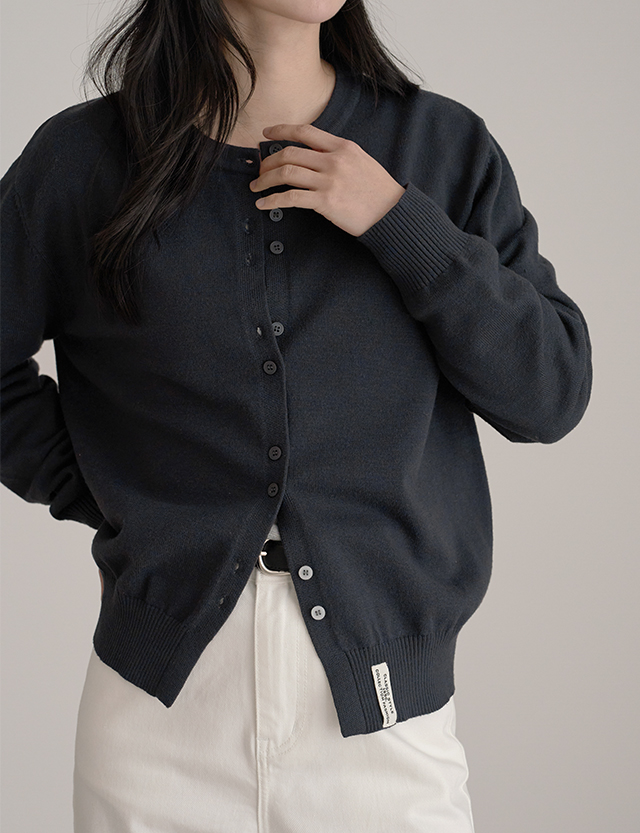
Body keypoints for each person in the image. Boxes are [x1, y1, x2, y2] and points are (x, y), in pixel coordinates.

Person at [0, 0, 593, 830]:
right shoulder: (85, 160)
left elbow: (551, 392)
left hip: (383, 728)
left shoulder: (440, 148)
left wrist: (399, 222)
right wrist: (114, 493)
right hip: (155, 729)